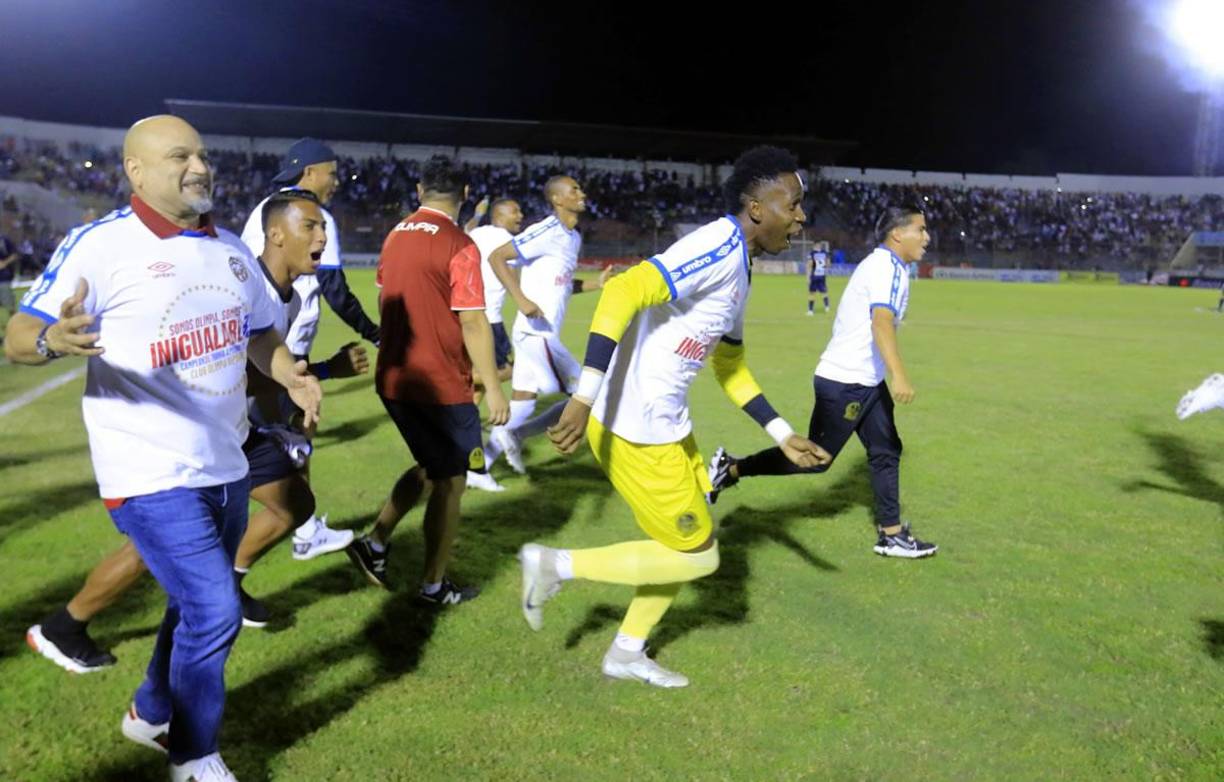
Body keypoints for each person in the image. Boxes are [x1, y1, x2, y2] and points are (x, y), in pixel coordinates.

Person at [5, 115, 321, 782]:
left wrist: (289, 370)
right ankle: (193, 755)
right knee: (215, 609)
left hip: (227, 464)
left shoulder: (232, 251)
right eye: (180, 156)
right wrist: (50, 342)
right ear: (137, 172)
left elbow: (260, 334)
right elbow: (18, 334)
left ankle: (150, 711)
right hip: (146, 471)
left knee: (187, 606)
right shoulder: (99, 245)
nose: (198, 166)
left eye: (202, 154)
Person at [518, 146, 831, 688]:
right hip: (634, 427)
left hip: (666, 425)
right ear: (757, 207)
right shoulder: (718, 244)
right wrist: (584, 395)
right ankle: (553, 565)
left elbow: (729, 365)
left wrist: (782, 434)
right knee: (698, 558)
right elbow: (623, 289)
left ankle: (626, 651)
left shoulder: (740, 267)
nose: (801, 216)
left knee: (685, 543)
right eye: (794, 204)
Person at [709, 205, 938, 559]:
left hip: (865, 380)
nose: (926, 237)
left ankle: (891, 534)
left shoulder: (884, 265)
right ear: (897, 234)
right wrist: (900, 374)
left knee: (886, 451)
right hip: (847, 382)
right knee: (817, 458)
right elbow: (881, 323)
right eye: (920, 230)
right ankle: (732, 468)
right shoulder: (888, 268)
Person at [346, 156, 509, 603]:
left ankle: (374, 542)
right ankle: (434, 586)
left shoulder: (396, 234)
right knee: (453, 479)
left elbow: (387, 298)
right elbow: (474, 322)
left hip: (395, 376)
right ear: (467, 195)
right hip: (439, 383)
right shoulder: (459, 243)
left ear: (419, 191)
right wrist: (493, 386)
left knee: (432, 466)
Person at [241, 138, 375, 557]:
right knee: (287, 446)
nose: (335, 181)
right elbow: (335, 288)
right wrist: (374, 335)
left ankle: (301, 527)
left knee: (294, 440)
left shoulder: (268, 211)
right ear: (310, 172)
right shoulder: (307, 215)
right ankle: (298, 531)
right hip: (274, 351)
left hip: (273, 351)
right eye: (331, 172)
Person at [480, 176, 611, 475]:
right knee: (589, 394)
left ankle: (479, 468)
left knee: (523, 402)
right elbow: (497, 257)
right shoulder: (546, 231)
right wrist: (522, 299)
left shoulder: (573, 237)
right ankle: (517, 435)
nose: (582, 193)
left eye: (580, 188)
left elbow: (563, 285)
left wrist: (597, 284)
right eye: (574, 190)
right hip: (536, 334)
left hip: (536, 335)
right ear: (557, 199)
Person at [465, 198, 525, 491]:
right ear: (500, 214)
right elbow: (518, 284)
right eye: (515, 211)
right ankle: (498, 435)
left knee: (472, 396)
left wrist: (476, 215)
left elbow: (466, 229)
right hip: (491, 321)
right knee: (507, 371)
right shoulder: (508, 243)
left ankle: (470, 463)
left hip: (468, 315)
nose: (521, 215)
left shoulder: (477, 233)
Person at [807, 240, 830, 314]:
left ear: (815, 245)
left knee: (812, 293)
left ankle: (810, 311)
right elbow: (828, 263)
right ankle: (827, 307)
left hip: (814, 275)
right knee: (824, 292)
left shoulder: (812, 253)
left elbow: (809, 265)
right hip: (822, 275)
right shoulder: (824, 253)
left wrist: (808, 277)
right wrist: (824, 269)